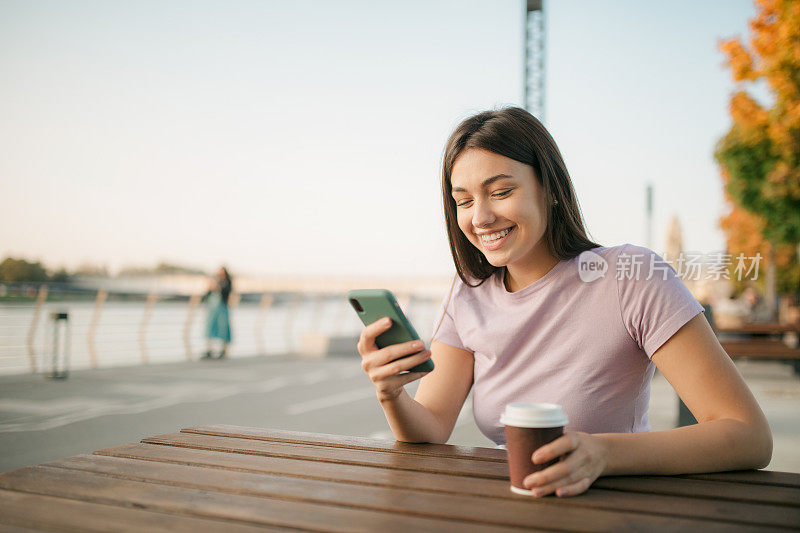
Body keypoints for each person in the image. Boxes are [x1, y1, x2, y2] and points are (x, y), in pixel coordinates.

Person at [356, 107, 772, 498]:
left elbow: (748, 435)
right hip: (510, 506)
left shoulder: (631, 275)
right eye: (463, 200)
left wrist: (603, 454)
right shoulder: (468, 291)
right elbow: (431, 426)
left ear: (550, 189)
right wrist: (391, 394)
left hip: (616, 505)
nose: (479, 217)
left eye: (500, 191)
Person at [202, 266, 232, 360]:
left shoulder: (227, 283)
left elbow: (226, 293)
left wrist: (218, 287)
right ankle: (209, 350)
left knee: (224, 328)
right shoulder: (215, 281)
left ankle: (224, 350)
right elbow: (207, 295)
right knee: (210, 328)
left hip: (222, 308)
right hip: (213, 309)